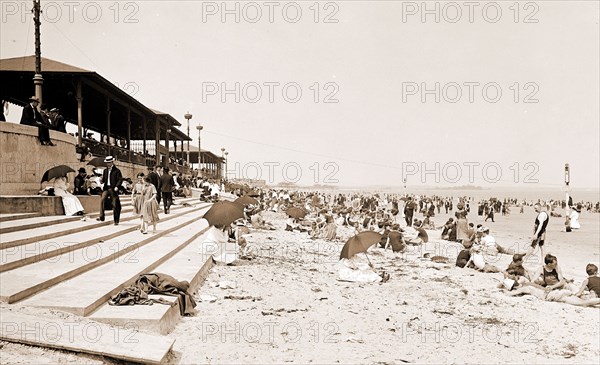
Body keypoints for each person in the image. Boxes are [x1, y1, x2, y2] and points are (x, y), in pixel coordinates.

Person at [97, 156, 123, 225]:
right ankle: (101, 217)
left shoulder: (117, 171)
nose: (108, 164)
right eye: (107, 163)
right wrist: (101, 180)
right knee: (102, 200)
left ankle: (116, 220)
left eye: (109, 163)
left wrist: (117, 186)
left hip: (113, 188)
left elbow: (120, 179)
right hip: (106, 188)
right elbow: (104, 180)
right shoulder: (105, 171)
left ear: (112, 162)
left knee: (115, 204)